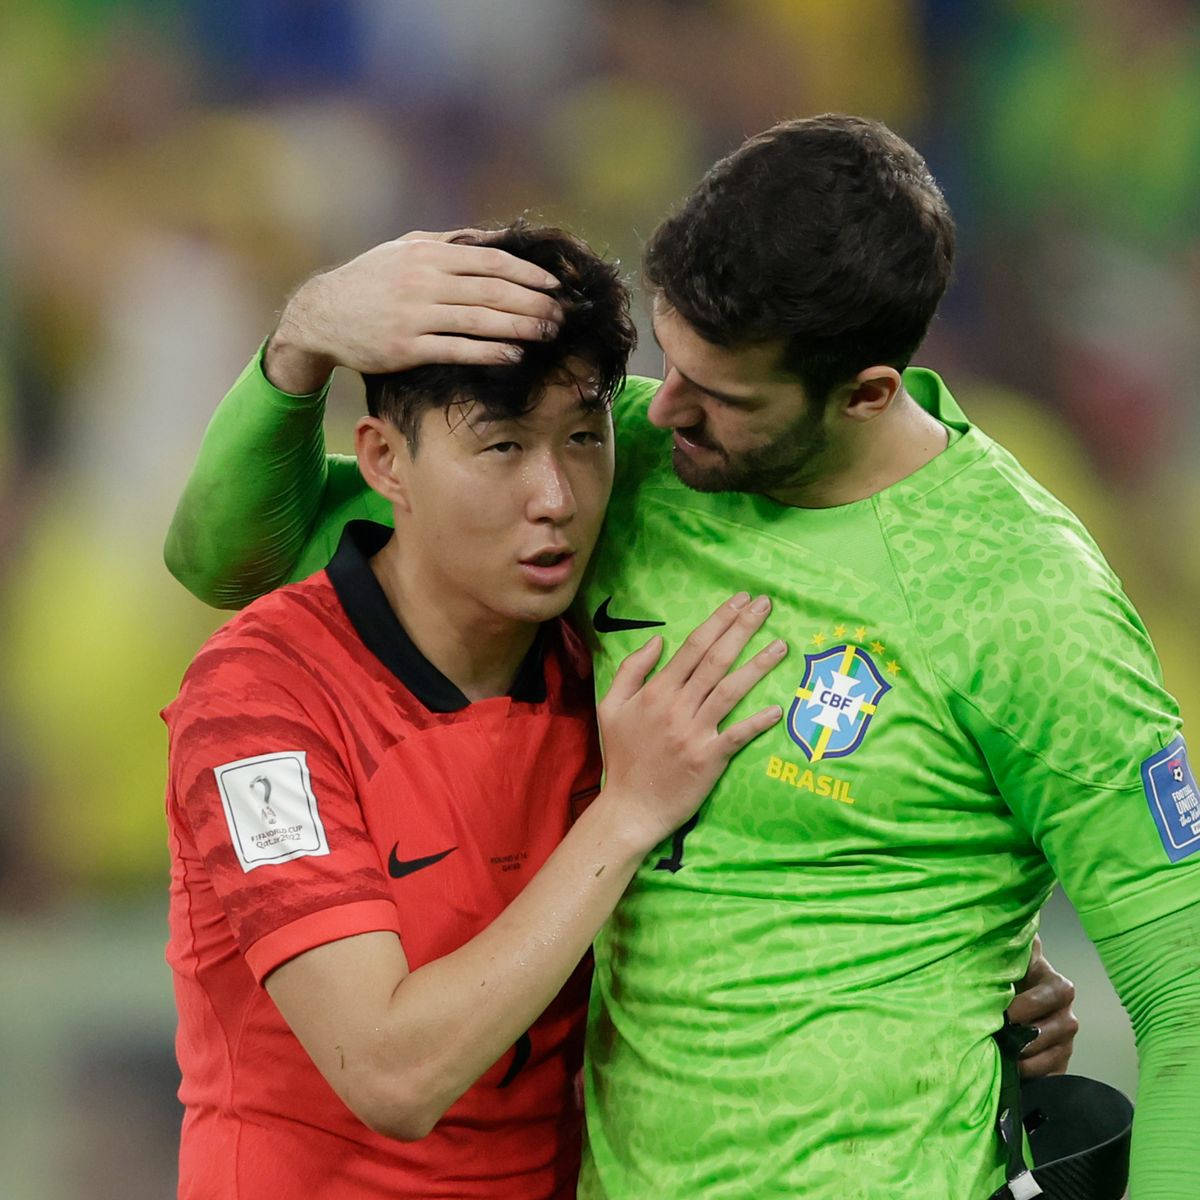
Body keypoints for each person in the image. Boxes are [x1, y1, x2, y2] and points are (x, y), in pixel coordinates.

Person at [161, 116, 1172, 1200]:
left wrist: (969, 936)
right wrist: (307, 333)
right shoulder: (599, 479)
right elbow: (228, 556)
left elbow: (1185, 990)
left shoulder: (1020, 593)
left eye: (717, 396)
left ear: (865, 394)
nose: (664, 414)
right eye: (665, 362)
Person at [162, 223, 793, 1200]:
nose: (555, 496)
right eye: (501, 446)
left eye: (584, 437)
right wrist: (624, 814)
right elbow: (389, 1072)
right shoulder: (256, 707)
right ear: (383, 461)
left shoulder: (617, 673)